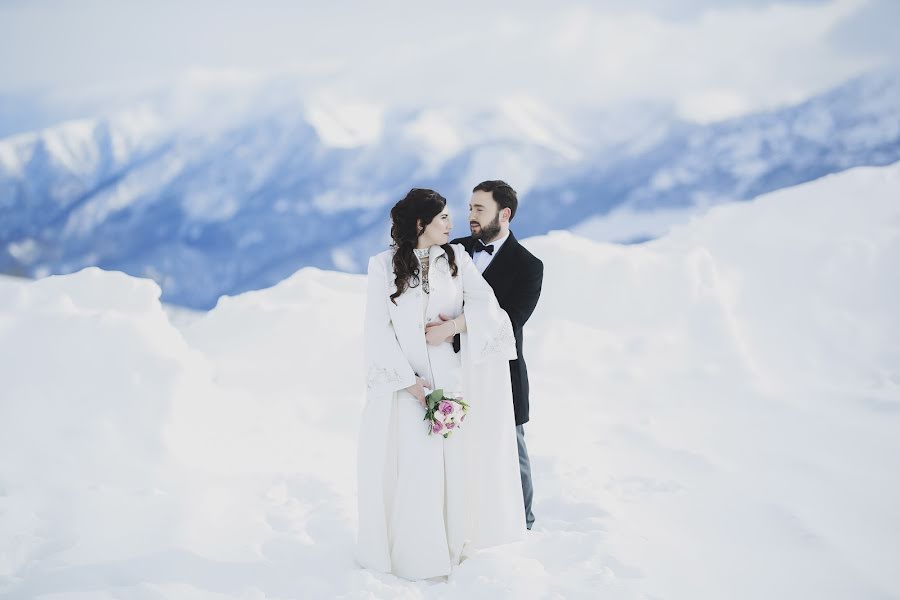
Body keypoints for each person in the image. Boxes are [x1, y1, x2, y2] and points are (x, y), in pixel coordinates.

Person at [355, 188, 526, 581]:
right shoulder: (381, 267)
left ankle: (450, 548)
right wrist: (410, 384)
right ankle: (413, 556)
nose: (453, 224)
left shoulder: (457, 259)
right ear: (420, 224)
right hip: (405, 388)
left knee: (451, 469)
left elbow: (489, 309)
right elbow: (377, 332)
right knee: (416, 469)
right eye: (444, 217)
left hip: (449, 385)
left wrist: (453, 326)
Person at [449, 180, 543, 530]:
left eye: (479, 209)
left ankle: (524, 520)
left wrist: (457, 325)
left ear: (504, 214)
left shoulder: (529, 266)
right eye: (470, 208)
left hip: (503, 372)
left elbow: (510, 320)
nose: (471, 216)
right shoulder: (454, 250)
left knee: (511, 448)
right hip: (455, 369)